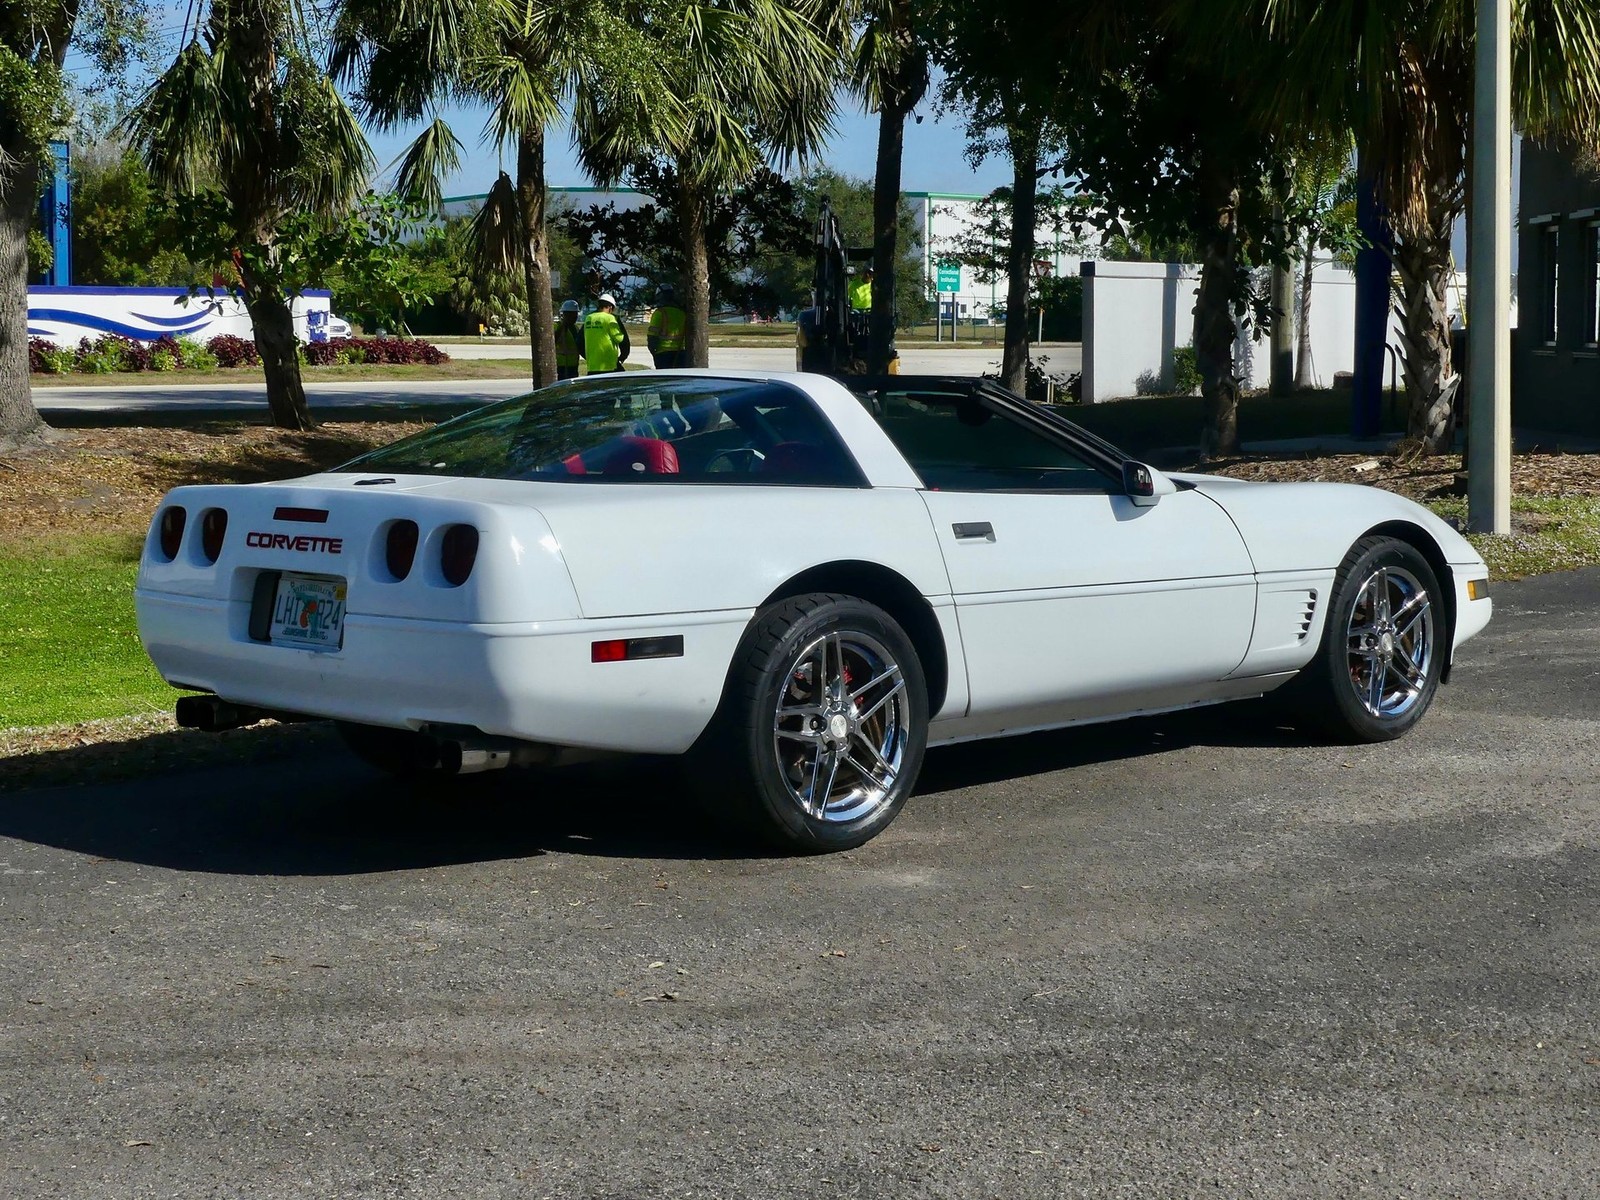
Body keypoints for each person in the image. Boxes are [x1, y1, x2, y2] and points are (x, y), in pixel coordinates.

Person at [584, 293, 630, 374]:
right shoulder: (610, 318)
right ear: (610, 307)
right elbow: (619, 338)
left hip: (592, 364)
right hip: (607, 363)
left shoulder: (588, 318)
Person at [647, 284, 689, 369]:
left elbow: (652, 337)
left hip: (663, 354)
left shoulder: (659, 313)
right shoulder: (682, 313)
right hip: (680, 353)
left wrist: (653, 352)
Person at [554, 299, 585, 379]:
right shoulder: (557, 326)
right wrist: (562, 327)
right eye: (571, 315)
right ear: (564, 314)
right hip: (561, 365)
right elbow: (553, 341)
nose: (574, 317)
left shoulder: (575, 328)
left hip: (573, 365)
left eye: (575, 314)